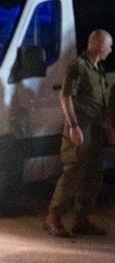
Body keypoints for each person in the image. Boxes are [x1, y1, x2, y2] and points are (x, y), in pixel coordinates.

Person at [44, 29, 112, 238]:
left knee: (93, 176)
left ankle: (82, 220)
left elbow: (99, 103)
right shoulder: (78, 66)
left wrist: (107, 127)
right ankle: (53, 218)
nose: (110, 50)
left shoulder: (98, 69)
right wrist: (73, 126)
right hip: (80, 128)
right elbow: (66, 97)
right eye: (109, 46)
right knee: (73, 173)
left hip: (94, 130)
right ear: (100, 46)